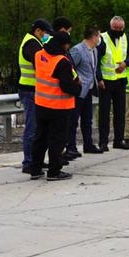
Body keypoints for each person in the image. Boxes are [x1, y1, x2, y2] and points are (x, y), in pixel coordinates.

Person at [30, 31, 80, 181]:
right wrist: (78, 88)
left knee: (40, 138)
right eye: (67, 44)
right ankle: (54, 171)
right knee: (57, 140)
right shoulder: (62, 62)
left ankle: (35, 169)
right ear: (63, 44)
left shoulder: (39, 55)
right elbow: (67, 86)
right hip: (58, 106)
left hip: (41, 104)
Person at [18, 18, 54, 175]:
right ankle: (29, 162)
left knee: (38, 127)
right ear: (38, 31)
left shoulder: (34, 42)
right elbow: (40, 64)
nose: (46, 36)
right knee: (32, 128)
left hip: (34, 90)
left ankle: (35, 160)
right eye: (45, 33)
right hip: (30, 90)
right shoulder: (31, 44)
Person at [97, 15, 129, 150]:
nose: (118, 30)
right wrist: (99, 78)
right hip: (106, 82)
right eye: (115, 28)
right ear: (111, 27)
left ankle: (118, 140)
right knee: (104, 114)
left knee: (120, 113)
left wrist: (126, 63)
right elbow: (97, 60)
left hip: (120, 80)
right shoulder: (102, 39)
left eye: (121, 28)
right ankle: (103, 142)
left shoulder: (125, 38)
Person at [67, 26, 103, 155]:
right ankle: (71, 146)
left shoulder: (94, 50)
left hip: (89, 89)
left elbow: (94, 68)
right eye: (98, 36)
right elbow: (70, 66)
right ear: (93, 37)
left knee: (87, 120)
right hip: (79, 90)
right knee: (73, 120)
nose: (99, 39)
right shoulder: (77, 50)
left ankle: (88, 144)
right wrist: (76, 79)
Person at [52, 17, 78, 161]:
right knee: (57, 132)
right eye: (68, 31)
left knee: (58, 131)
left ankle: (59, 155)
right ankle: (55, 163)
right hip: (56, 97)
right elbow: (65, 72)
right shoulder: (57, 52)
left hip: (51, 98)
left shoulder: (54, 49)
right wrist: (77, 87)